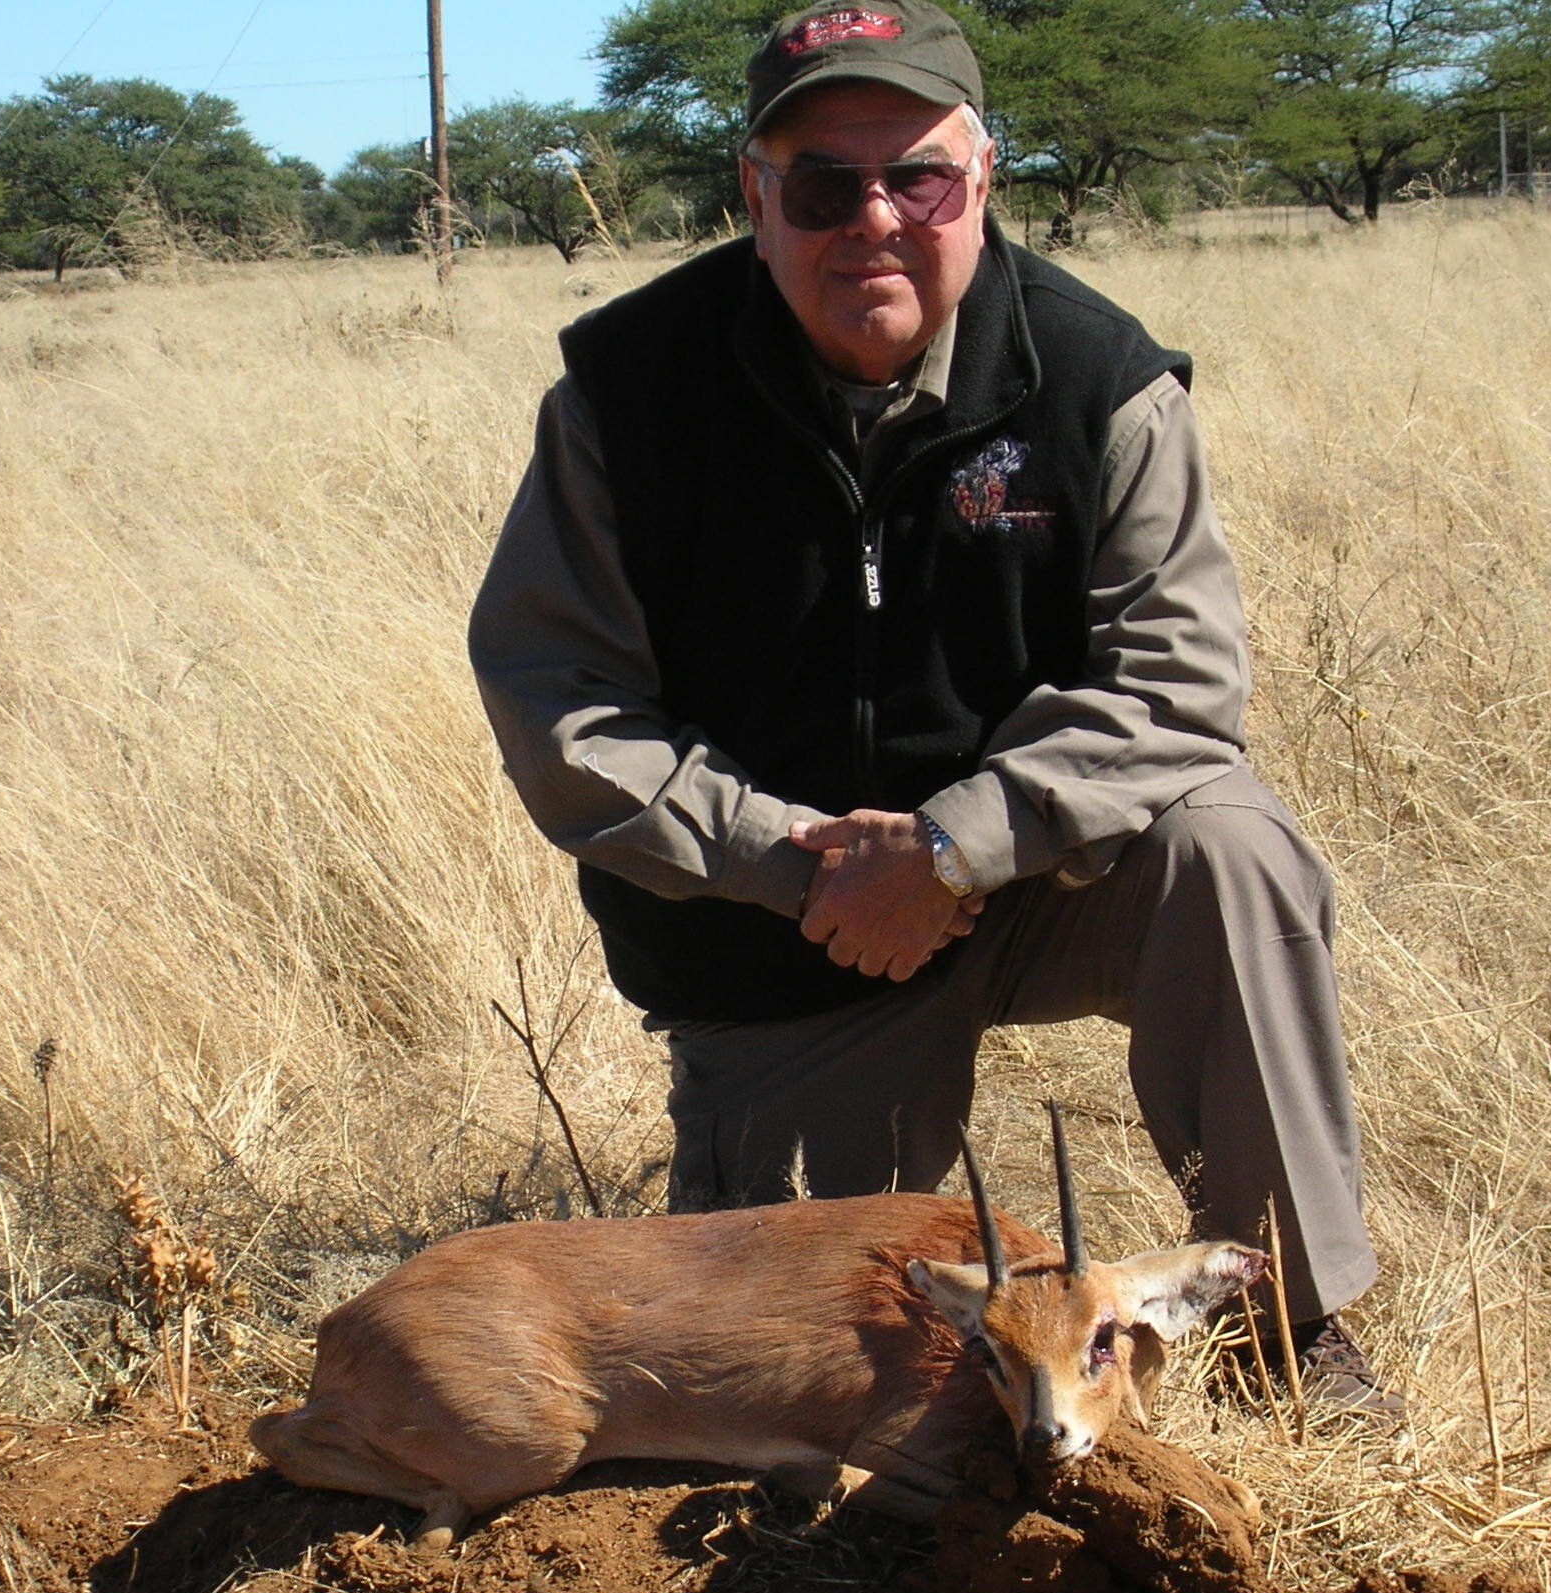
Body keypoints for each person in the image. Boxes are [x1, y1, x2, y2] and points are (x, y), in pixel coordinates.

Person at [468, 0, 1400, 1420]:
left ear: (984, 182)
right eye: (826, 187)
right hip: (787, 922)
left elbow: (1180, 685)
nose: (876, 221)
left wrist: (955, 848)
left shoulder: (1100, 380)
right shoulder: (628, 395)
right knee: (832, 1374)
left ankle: (1294, 1331)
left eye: (922, 177)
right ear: (755, 199)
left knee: (1233, 851)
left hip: (1035, 876)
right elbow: (559, 705)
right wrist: (799, 865)